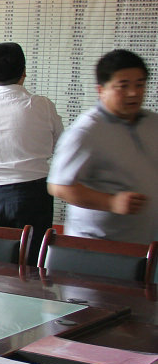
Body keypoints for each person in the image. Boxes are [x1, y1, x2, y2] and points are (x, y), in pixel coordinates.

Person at [48, 49, 158, 244]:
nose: (133, 93)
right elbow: (59, 186)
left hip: (145, 243)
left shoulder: (152, 123)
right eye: (123, 86)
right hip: (98, 247)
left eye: (140, 84)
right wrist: (111, 202)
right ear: (101, 90)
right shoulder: (86, 131)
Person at [0, 42, 63, 259]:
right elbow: (59, 145)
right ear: (24, 72)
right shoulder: (43, 105)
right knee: (31, 263)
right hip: (33, 196)